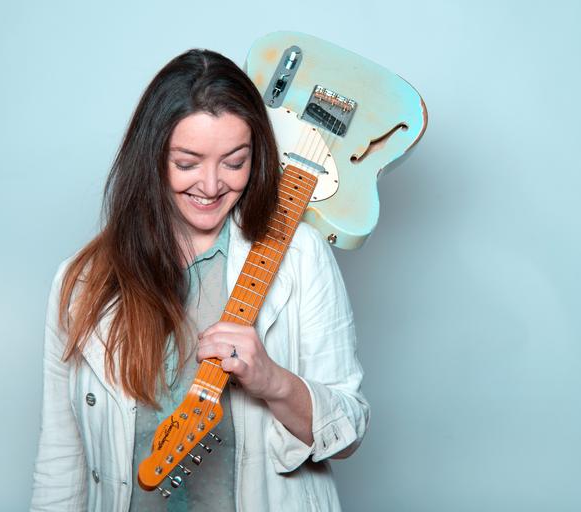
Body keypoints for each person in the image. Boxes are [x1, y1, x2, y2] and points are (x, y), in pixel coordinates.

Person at [30, 49, 369, 512]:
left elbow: (349, 430)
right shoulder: (83, 282)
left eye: (234, 162)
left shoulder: (300, 255)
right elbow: (60, 459)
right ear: (150, 158)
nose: (211, 186)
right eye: (187, 163)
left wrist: (272, 380)